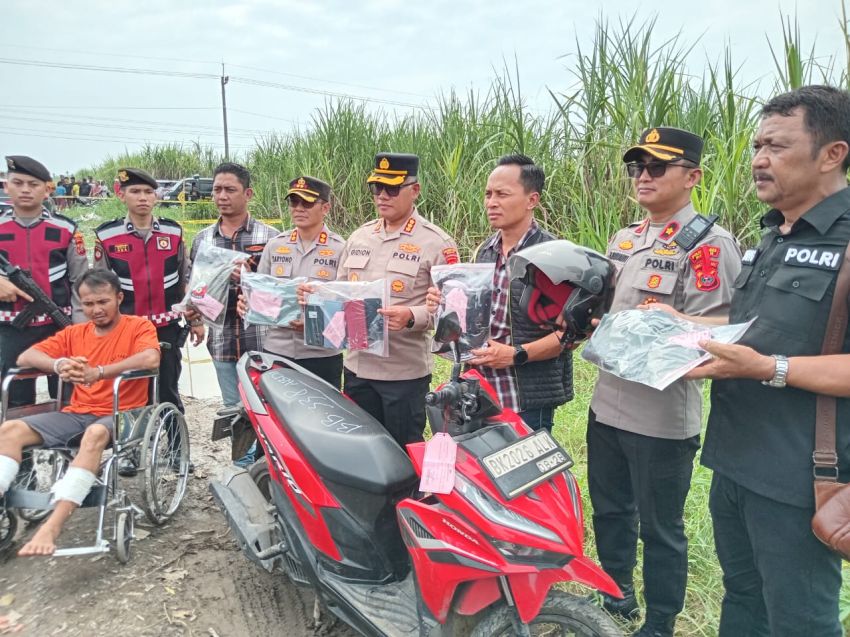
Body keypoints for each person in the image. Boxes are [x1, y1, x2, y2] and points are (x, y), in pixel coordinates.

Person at [678, 85, 850, 637]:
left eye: (776, 146)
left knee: (799, 619)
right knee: (743, 600)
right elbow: (753, 332)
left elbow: (766, 356)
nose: (757, 159)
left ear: (832, 154)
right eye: (756, 145)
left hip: (800, 474)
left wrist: (769, 368)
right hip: (733, 460)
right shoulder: (770, 237)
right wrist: (678, 328)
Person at [585, 127, 742, 637]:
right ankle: (617, 595)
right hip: (606, 403)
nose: (643, 177)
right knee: (610, 511)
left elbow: (731, 326)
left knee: (661, 529)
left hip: (660, 415)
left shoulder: (708, 246)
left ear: (692, 177)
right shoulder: (627, 238)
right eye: (637, 168)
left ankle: (660, 621)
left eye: (657, 168)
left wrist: (673, 320)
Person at [0, 269, 160, 557]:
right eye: (88, 304)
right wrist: (60, 364)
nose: (96, 310)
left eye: (103, 302)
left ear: (119, 298)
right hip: (77, 412)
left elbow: (150, 357)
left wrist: (98, 372)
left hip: (124, 413)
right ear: (80, 303)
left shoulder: (138, 327)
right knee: (9, 430)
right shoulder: (75, 333)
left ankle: (53, 526)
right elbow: (26, 357)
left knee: (95, 434)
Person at [431, 154, 571, 432]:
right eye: (488, 194)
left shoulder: (554, 256)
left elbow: (569, 336)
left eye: (502, 194)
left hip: (525, 397)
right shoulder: (486, 251)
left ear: (532, 200)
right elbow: (477, 320)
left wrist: (516, 354)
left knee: (527, 472)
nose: (491, 202)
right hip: (478, 390)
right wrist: (443, 306)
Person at [333, 152, 459, 446]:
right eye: (377, 188)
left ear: (414, 190)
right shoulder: (360, 237)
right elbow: (339, 292)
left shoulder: (436, 243)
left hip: (402, 376)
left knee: (403, 453)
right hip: (357, 368)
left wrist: (411, 317)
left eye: (392, 188)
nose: (382, 196)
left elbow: (451, 314)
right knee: (360, 449)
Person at [93, 168, 189, 415]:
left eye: (149, 192)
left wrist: (195, 318)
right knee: (130, 393)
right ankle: (134, 450)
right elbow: (99, 288)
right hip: (126, 330)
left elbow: (184, 280)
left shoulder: (174, 232)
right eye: (135, 191)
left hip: (166, 327)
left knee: (168, 391)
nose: (143, 197)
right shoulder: (106, 235)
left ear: (156, 197)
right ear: (121, 195)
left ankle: (175, 450)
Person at [239, 176, 346, 388]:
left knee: (322, 418)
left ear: (325, 208)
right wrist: (249, 303)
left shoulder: (340, 249)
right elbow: (262, 294)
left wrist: (313, 325)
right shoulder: (276, 245)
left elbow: (347, 304)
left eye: (306, 203)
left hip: (321, 355)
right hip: (278, 350)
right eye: (294, 202)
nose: (298, 208)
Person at [0, 156, 89, 407]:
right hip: (11, 328)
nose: (26, 189)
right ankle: (19, 445)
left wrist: (79, 330)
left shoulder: (66, 229)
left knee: (68, 395)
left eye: (33, 184)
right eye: (18, 183)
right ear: (7, 186)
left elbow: (81, 282)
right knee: (15, 400)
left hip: (59, 326)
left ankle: (66, 446)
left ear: (47, 189)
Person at [189, 162, 277, 408]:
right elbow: (195, 289)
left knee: (266, 412)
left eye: (230, 190)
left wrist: (250, 279)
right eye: (217, 190)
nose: (222, 196)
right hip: (222, 340)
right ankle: (238, 449)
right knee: (232, 412)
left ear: (247, 194)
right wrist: (194, 316)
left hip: (262, 342)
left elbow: (279, 291)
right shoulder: (203, 240)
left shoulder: (270, 237)